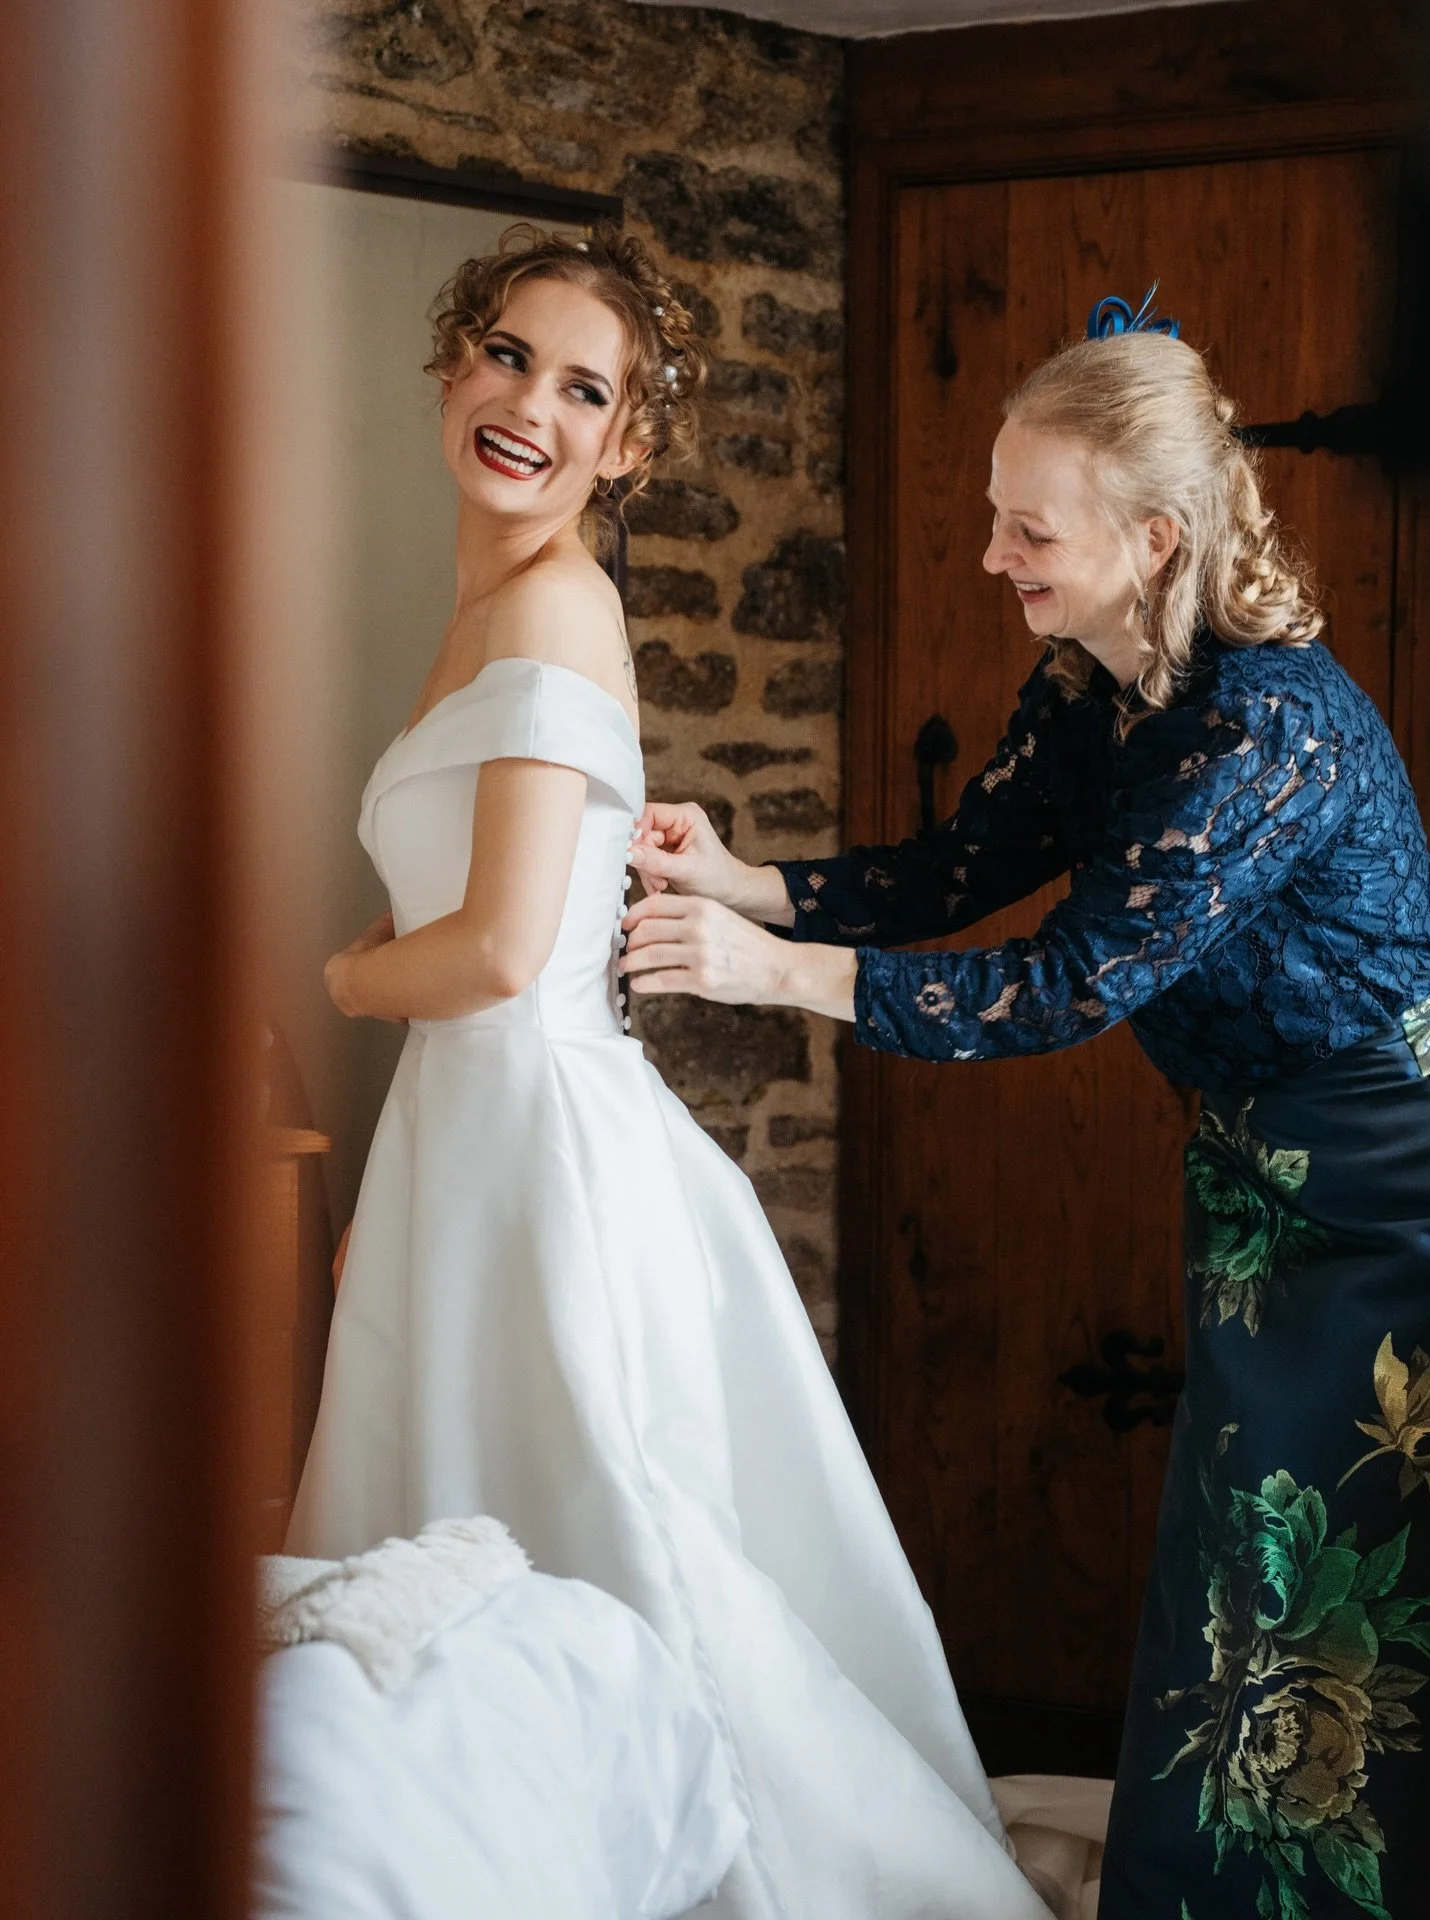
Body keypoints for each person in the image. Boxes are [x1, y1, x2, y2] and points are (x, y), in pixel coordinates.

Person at [623, 304, 1430, 1920]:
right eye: (996, 512)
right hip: (1257, 1176)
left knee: (1335, 1577)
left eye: (1025, 525)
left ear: (1154, 539)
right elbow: (955, 872)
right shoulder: (1091, 686)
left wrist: (767, 978)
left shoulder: (1269, 729)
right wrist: (751, 884)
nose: (991, 553)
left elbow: (1063, 985)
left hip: (1395, 1186)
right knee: (1237, 1566)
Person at [286, 224, 1049, 1920]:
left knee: (602, 1536)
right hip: (465, 1139)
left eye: (583, 389)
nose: (528, 408)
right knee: (469, 1532)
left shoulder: (557, 606)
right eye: (506, 357)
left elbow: (489, 952)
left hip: (539, 1143)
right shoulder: (487, 608)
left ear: (625, 442)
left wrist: (337, 975)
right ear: (452, 364)